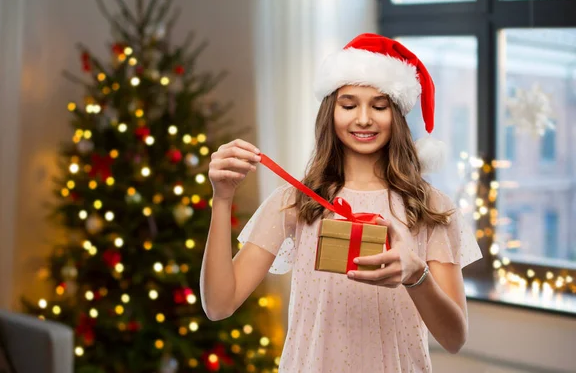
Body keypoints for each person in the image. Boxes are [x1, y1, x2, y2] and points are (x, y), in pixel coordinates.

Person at [200, 33, 482, 373]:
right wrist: (222, 198)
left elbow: (455, 338)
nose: (364, 118)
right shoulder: (294, 203)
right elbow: (218, 304)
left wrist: (416, 276)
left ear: (397, 116)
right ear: (330, 113)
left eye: (379, 106)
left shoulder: (431, 208)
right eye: (349, 105)